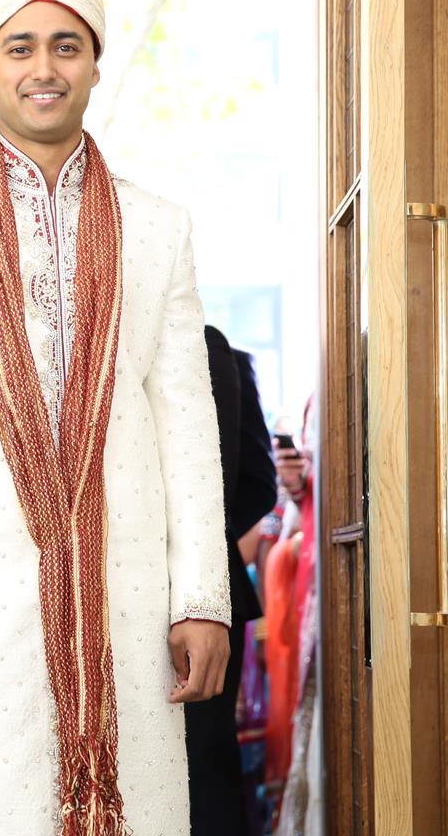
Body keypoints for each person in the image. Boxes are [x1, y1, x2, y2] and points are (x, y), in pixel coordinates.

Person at [0, 0, 232, 836]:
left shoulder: (158, 226)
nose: (43, 69)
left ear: (96, 63)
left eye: (66, 46)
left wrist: (202, 598)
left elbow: (187, 423)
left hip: (132, 586)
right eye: (19, 47)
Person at [187, 326, 279, 835]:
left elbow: (262, 487)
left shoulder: (217, 354)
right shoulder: (227, 354)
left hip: (206, 593)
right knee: (207, 759)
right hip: (219, 586)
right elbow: (260, 487)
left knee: (202, 760)